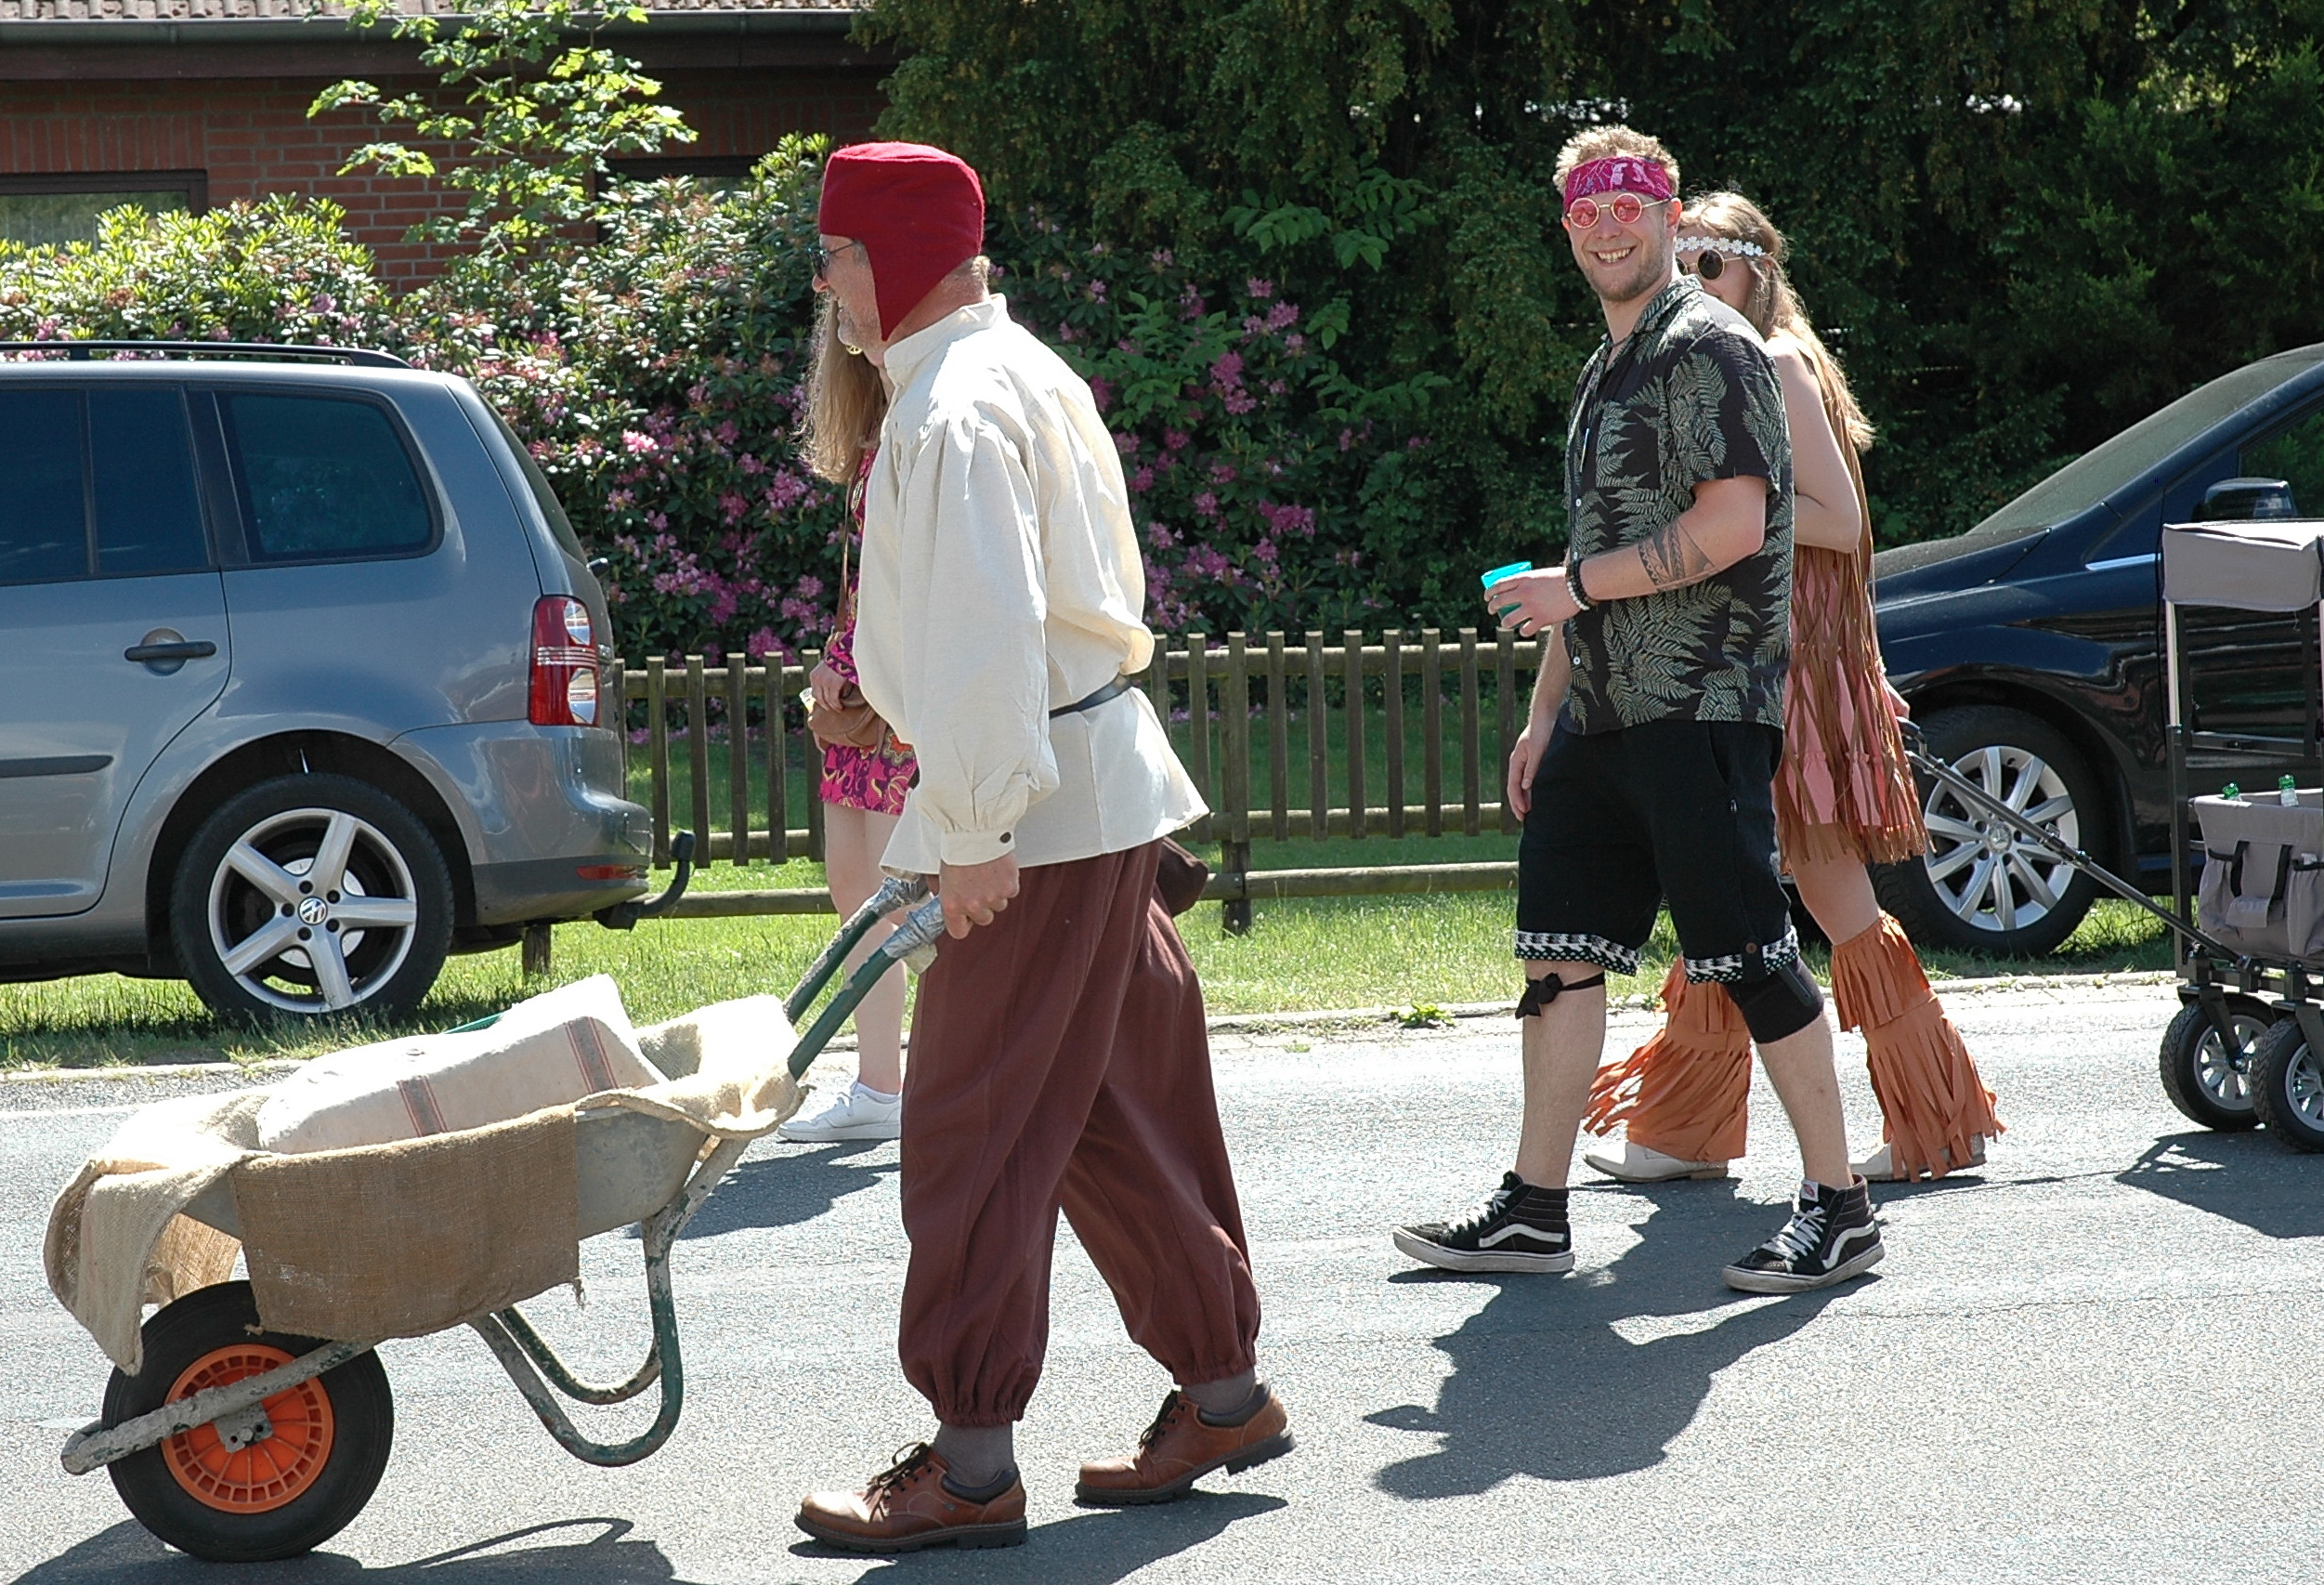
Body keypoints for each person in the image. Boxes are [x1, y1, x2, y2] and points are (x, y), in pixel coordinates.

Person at [790, 141, 1286, 1555]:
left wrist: (972, 828)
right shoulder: (1010, 369)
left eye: (834, 256)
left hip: (1036, 816)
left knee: (973, 1130)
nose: (825, 286)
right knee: (1109, 1114)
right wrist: (898, 710)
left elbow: (990, 638)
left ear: (889, 255)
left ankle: (968, 1469)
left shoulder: (951, 407)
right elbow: (999, 626)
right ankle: (1224, 1393)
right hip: (1089, 794)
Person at [1390, 127, 1884, 1295]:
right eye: (1586, 212)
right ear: (1568, 229)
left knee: (1749, 954)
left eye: (1628, 207)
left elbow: (1732, 525)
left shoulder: (1709, 346)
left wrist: (1574, 591)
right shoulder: (1608, 364)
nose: (1607, 228)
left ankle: (1841, 1208)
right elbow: (1592, 551)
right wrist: (1543, 714)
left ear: (1667, 217)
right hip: (1603, 712)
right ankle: (1533, 1209)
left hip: (1700, 702)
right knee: (1557, 954)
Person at [1581, 191, 2004, 1185]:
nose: (1692, 281)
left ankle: (1937, 1121)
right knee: (1724, 885)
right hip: (1770, 659)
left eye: (1710, 263)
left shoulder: (1770, 360)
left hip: (1790, 670)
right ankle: (1684, 1131)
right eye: (1681, 262)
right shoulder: (1730, 362)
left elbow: (1838, 521)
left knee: (1821, 895)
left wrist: (1715, 512)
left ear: (1754, 271)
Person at [780, 295, 916, 1143]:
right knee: (857, 892)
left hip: (904, 695)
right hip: (867, 688)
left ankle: (944, 1084)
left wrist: (854, 660)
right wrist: (841, 655)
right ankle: (881, 1089)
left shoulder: (925, 422)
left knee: (908, 899)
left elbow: (917, 581)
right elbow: (872, 578)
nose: (843, 335)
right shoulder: (881, 430)